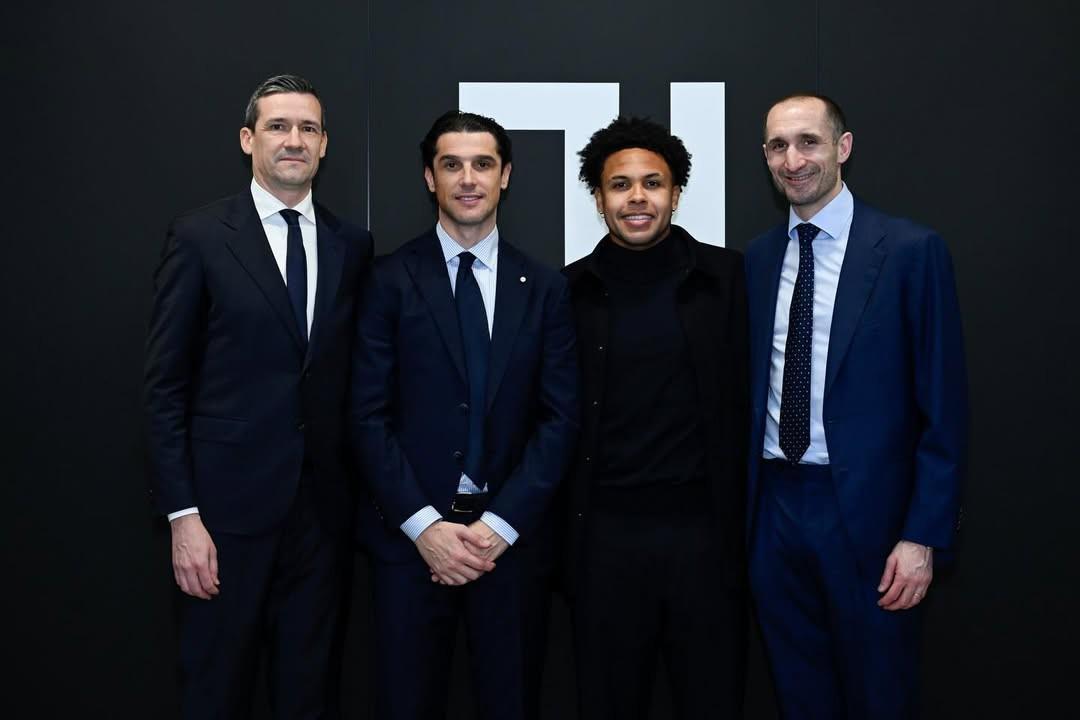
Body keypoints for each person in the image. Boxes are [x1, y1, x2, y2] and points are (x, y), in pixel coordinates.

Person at [143, 74, 373, 718]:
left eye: (307, 128)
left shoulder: (352, 246)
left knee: (309, 694)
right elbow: (165, 387)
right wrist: (183, 516)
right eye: (278, 126)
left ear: (324, 144)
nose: (293, 140)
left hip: (322, 521)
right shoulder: (200, 237)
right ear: (248, 139)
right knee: (216, 693)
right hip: (221, 522)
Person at [745, 93, 968, 719]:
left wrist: (922, 535)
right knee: (798, 693)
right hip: (774, 511)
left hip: (871, 521)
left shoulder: (910, 251)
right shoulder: (757, 260)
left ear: (843, 147)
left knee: (879, 696)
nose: (793, 160)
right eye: (778, 146)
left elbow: (945, 408)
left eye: (808, 142)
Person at [350, 110, 579, 720]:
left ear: (506, 175)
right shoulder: (388, 280)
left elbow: (559, 420)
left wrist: (499, 526)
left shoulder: (545, 288)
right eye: (452, 165)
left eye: (483, 164)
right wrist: (424, 527)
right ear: (430, 178)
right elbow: (366, 416)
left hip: (509, 547)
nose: (468, 179)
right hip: (410, 549)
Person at [562, 116, 748, 718]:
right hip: (604, 541)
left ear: (676, 193)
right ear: (598, 198)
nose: (637, 198)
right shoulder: (566, 292)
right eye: (620, 185)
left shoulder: (728, 280)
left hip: (704, 540)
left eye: (653, 183)